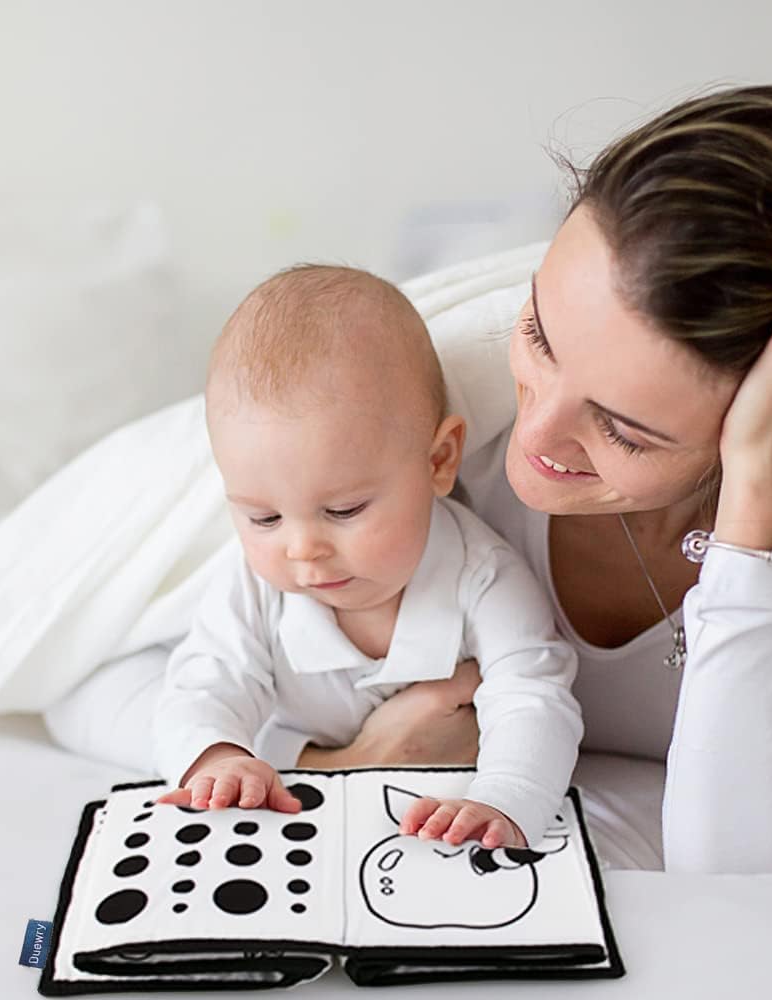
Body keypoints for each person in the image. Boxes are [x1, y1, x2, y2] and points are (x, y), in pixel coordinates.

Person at [44, 83, 772, 873]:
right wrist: (336, 769)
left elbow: (746, 878)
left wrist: (768, 495)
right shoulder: (400, 444)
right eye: (538, 334)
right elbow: (84, 674)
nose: (531, 439)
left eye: (622, 429)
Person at [151, 264, 583, 851]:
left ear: (438, 461)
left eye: (346, 509)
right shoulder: (252, 585)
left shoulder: (482, 576)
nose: (302, 550)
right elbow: (204, 684)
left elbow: (532, 694)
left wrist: (503, 798)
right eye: (264, 518)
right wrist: (218, 756)